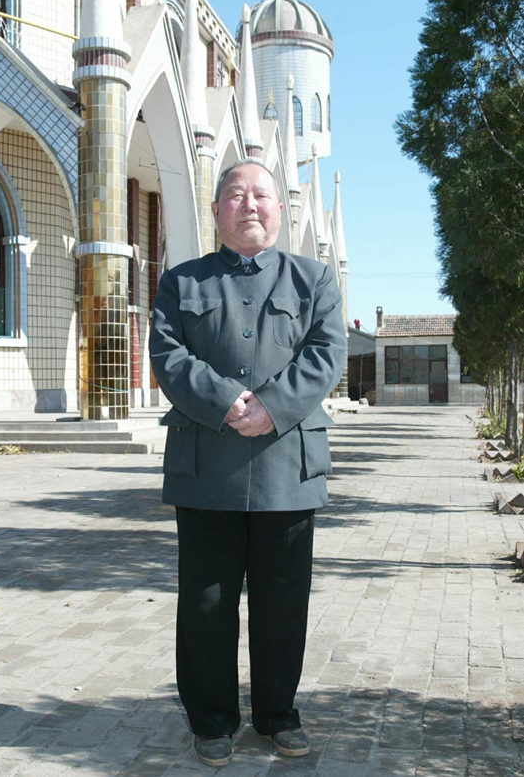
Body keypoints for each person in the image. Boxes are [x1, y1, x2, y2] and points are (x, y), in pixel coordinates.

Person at [149, 159, 346, 767]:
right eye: (236, 195)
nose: (250, 204)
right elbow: (167, 354)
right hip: (207, 467)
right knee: (206, 603)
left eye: (261, 194)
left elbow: (326, 353)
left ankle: (278, 715)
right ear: (216, 210)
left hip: (287, 467)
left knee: (283, 601)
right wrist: (226, 401)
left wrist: (271, 407)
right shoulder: (181, 282)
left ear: (279, 209)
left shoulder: (314, 279)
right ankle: (211, 721)